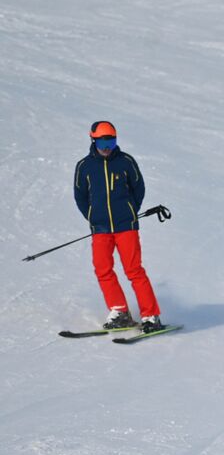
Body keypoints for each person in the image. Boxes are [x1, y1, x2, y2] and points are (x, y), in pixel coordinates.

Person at [73, 121, 164, 333]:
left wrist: (130, 211)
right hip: (101, 229)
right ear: (93, 140)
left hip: (126, 227)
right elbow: (80, 196)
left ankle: (150, 315)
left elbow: (138, 188)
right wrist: (92, 216)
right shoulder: (84, 166)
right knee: (103, 269)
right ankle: (120, 312)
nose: (107, 146)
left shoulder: (126, 162)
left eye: (111, 141)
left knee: (134, 270)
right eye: (103, 141)